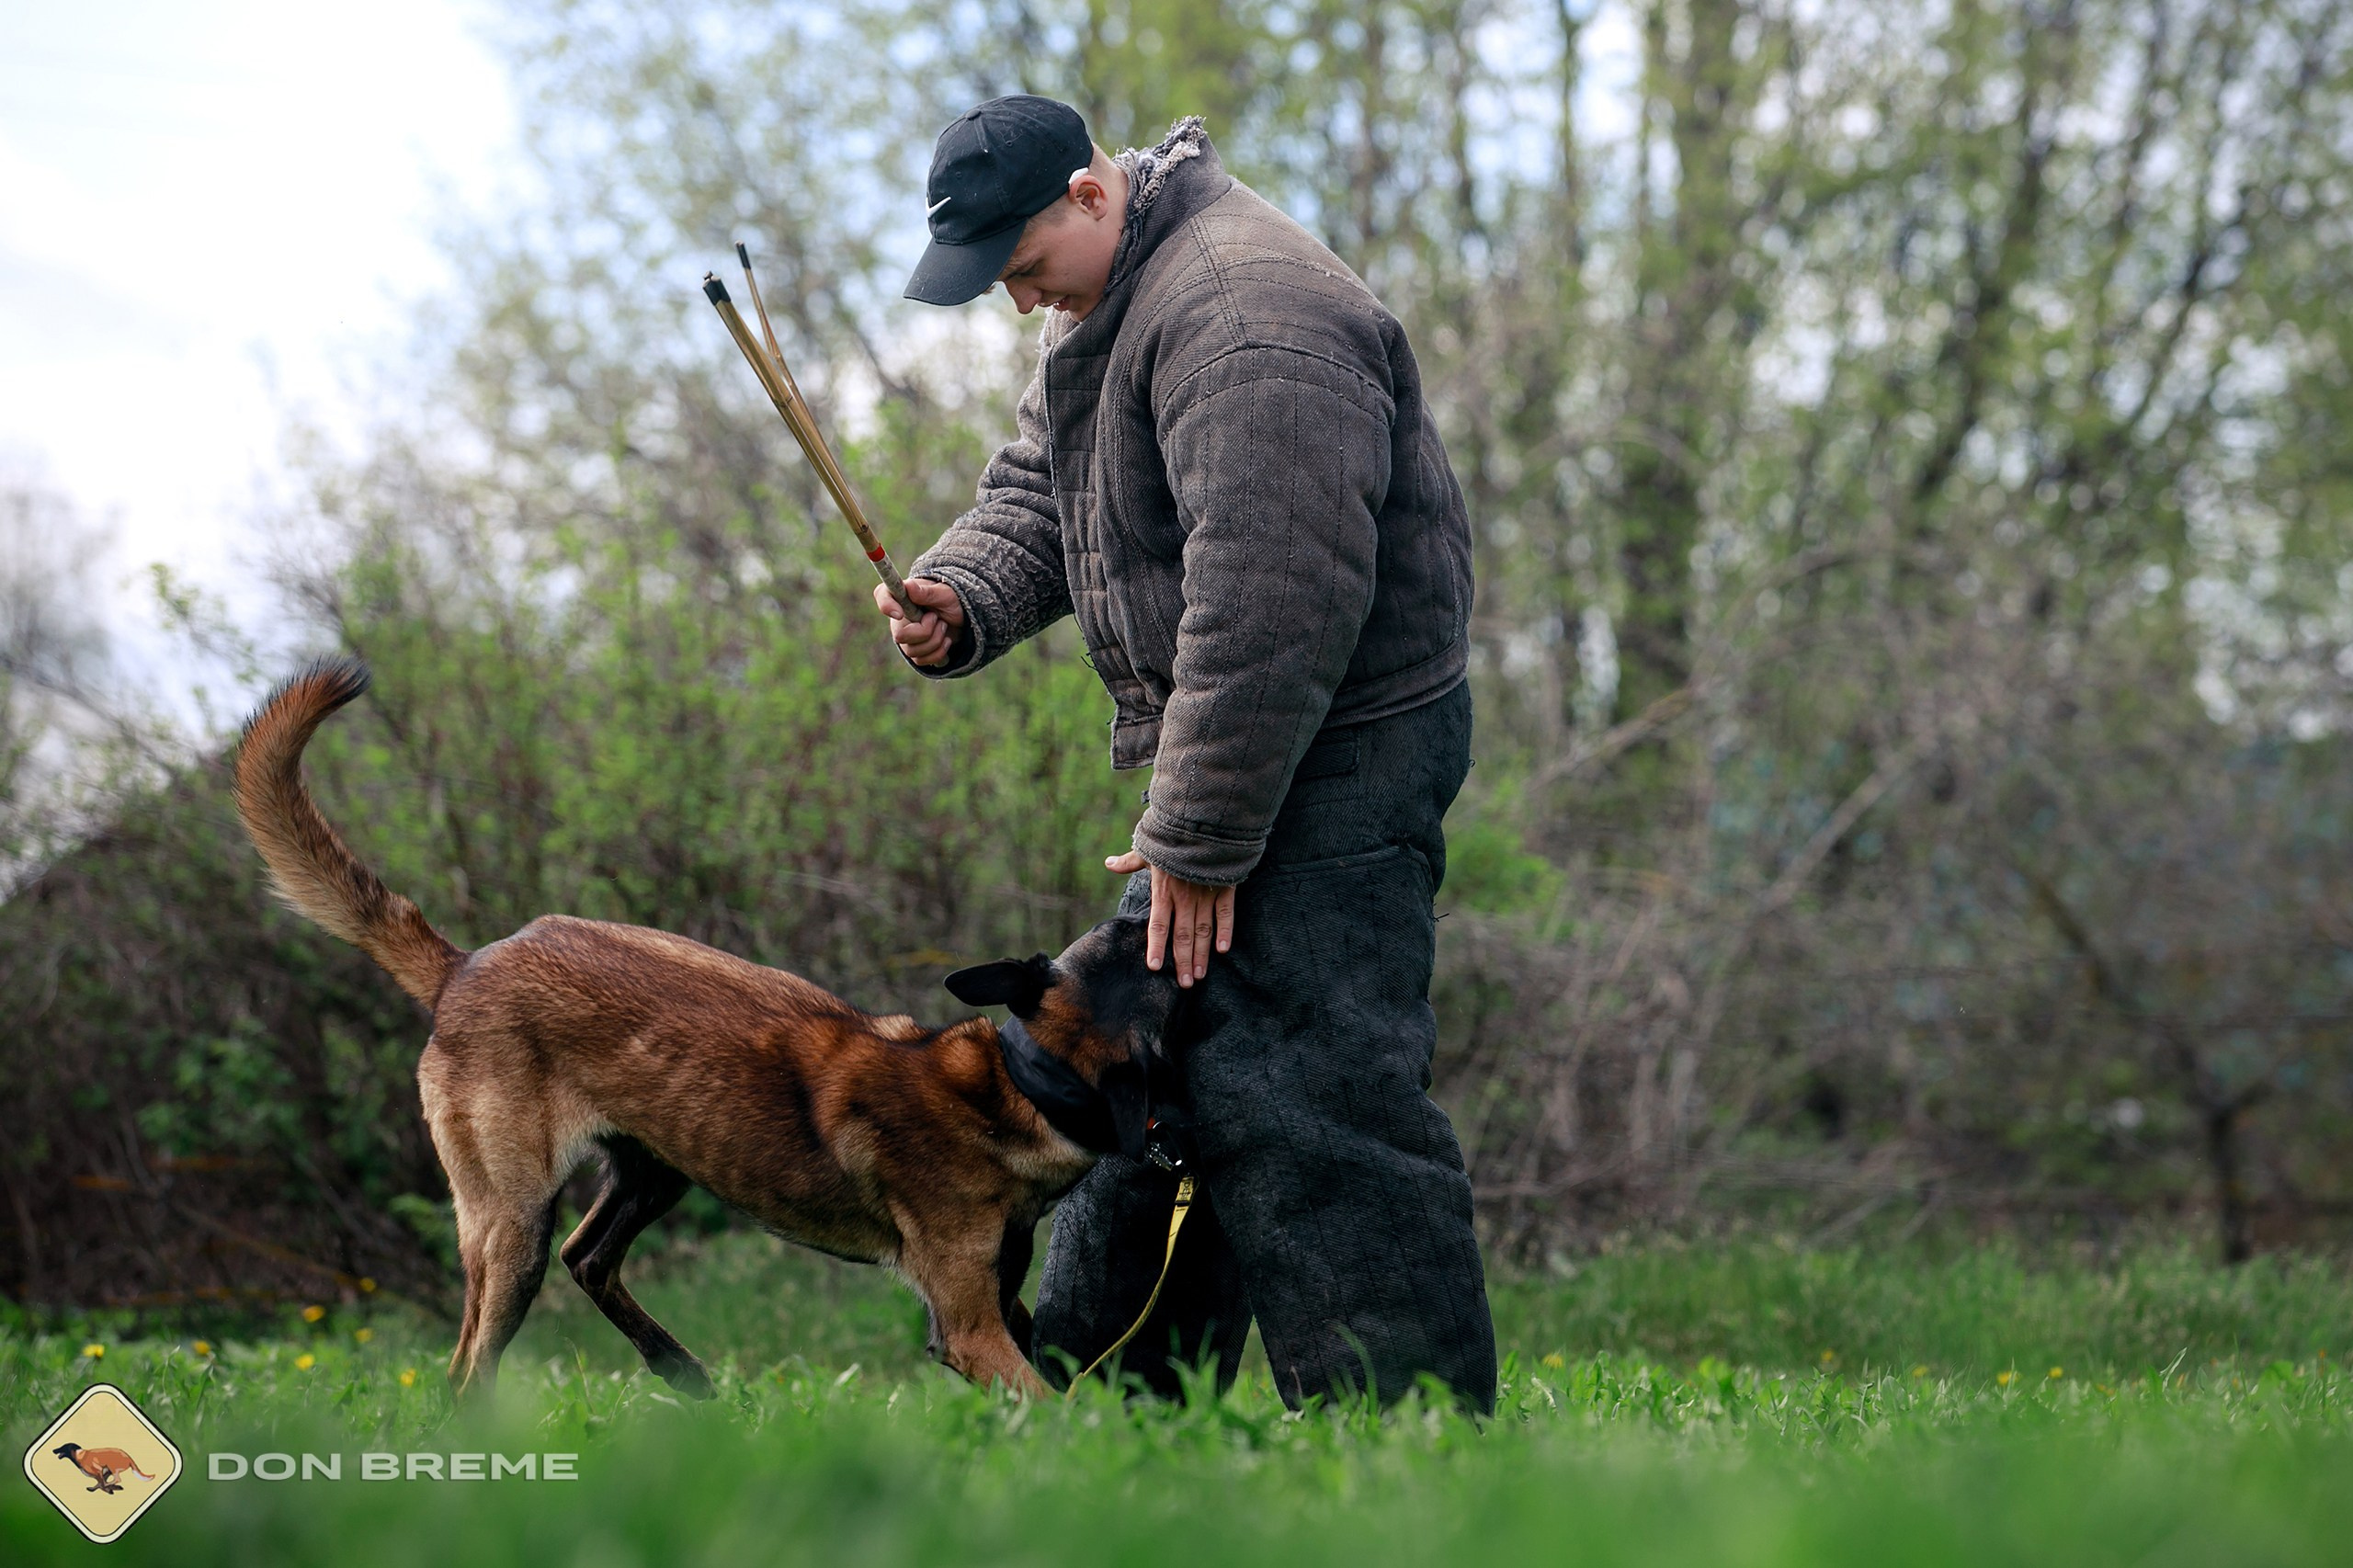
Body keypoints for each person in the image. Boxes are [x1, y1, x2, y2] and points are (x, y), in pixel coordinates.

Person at [880, 94, 1494, 1412]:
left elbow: (1278, 602)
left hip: (1339, 742)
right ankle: (1115, 1417)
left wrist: (1196, 840)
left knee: (1318, 1090)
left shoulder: (1245, 319)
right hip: (1244, 738)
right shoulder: (1108, 300)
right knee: (1146, 1070)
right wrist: (963, 595)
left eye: (1021, 265)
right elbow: (1047, 485)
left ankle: (1414, 1446)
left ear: (1090, 193)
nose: (1018, 300)